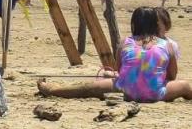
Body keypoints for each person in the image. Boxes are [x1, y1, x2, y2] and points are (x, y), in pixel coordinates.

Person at [37, 7, 192, 102]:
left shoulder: (125, 43)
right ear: (156, 25)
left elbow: (120, 70)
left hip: (127, 89)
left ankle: (52, 90)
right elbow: (172, 76)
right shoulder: (168, 45)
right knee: (185, 85)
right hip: (155, 92)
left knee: (87, 88)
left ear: (134, 24)